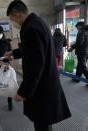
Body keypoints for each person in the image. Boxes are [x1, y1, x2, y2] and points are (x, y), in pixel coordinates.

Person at [5, 1, 71, 131]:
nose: (14, 22)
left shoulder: (31, 29)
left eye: (12, 19)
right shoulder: (39, 23)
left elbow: (35, 65)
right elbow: (35, 49)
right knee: (44, 122)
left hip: (41, 88)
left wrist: (24, 92)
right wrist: (15, 53)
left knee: (42, 123)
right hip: (46, 83)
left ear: (17, 15)